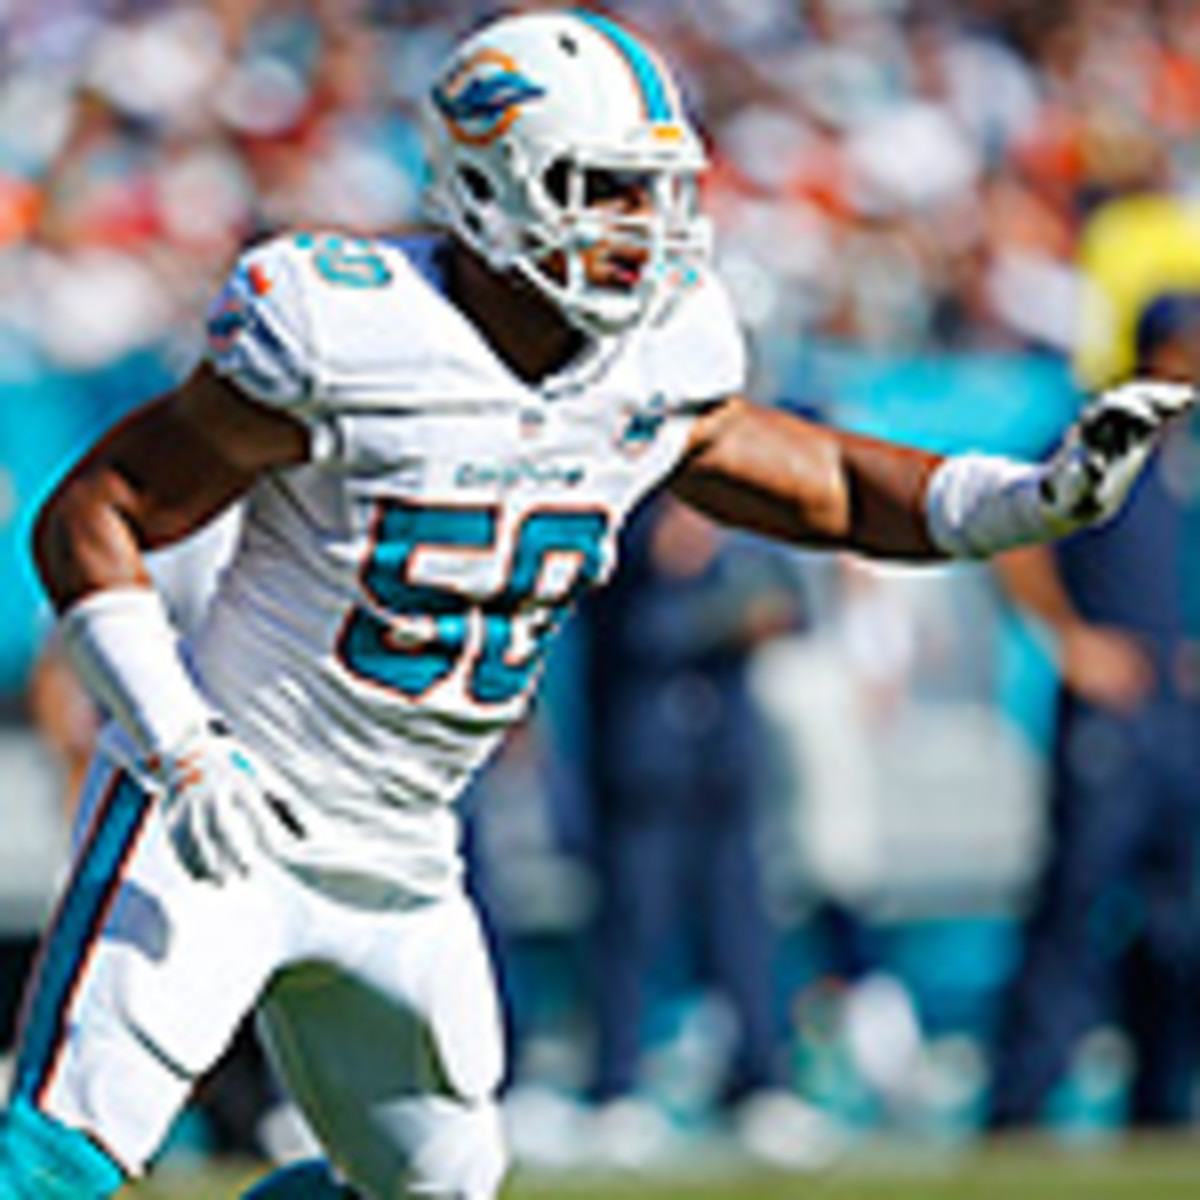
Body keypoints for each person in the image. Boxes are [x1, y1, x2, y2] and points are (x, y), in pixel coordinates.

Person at [1, 10, 1193, 1199]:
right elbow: (93, 514)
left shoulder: (652, 358)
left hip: (406, 852)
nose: (642, 225)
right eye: (601, 188)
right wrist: (180, 739)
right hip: (223, 815)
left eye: (656, 190)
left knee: (435, 1193)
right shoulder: (345, 329)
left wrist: (1019, 502)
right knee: (57, 1163)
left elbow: (822, 481)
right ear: (485, 182)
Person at [986, 291, 1200, 1132]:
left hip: (1178, 715)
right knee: (1077, 898)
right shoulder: (1107, 437)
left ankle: (1162, 1100)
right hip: (1112, 718)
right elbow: (1016, 541)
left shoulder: (1187, 459)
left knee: (1178, 911)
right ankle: (1023, 1100)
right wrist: (1073, 640)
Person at [578, 493, 834, 1167]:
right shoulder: (623, 515)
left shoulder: (741, 516)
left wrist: (749, 612)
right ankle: (616, 1086)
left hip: (724, 756)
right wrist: (708, 605)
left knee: (742, 926)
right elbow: (635, 627)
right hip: (644, 760)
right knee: (633, 925)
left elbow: (793, 604)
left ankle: (760, 1084)